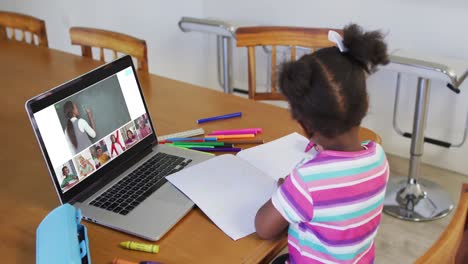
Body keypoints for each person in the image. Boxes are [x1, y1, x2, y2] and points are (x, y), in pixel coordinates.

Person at [255, 24, 390, 264]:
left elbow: (263, 228)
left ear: (304, 124)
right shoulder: (379, 157)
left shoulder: (306, 182)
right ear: (365, 104)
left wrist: (285, 192)